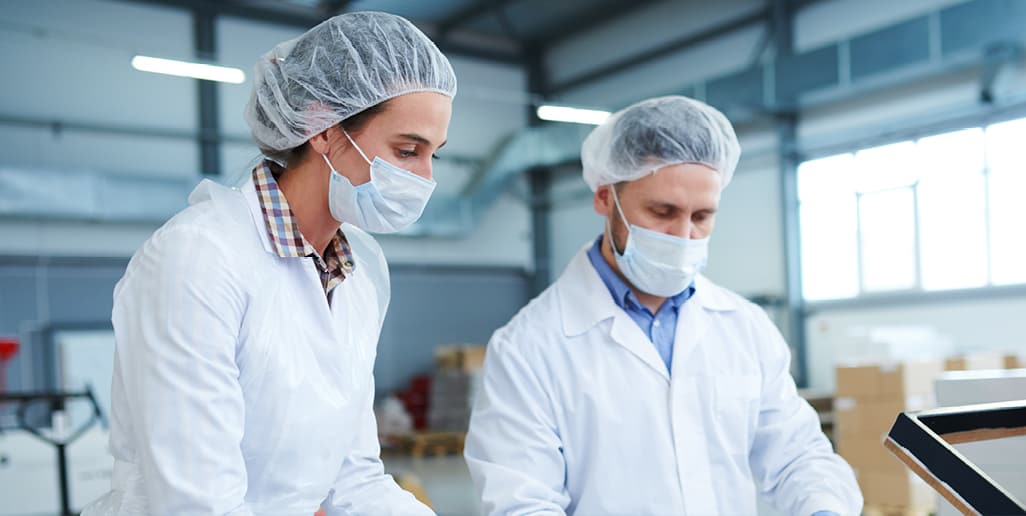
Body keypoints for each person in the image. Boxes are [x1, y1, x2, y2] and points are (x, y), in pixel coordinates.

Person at [83, 11, 455, 515]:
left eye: (435, 154)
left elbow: (354, 479)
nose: (425, 178)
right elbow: (197, 503)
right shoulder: (198, 259)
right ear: (324, 129)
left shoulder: (357, 272)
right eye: (408, 150)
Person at [464, 96, 862, 515]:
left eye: (702, 216)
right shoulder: (528, 347)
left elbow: (798, 456)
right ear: (604, 198)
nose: (683, 235)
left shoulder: (745, 327)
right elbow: (521, 502)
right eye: (662, 211)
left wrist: (822, 508)